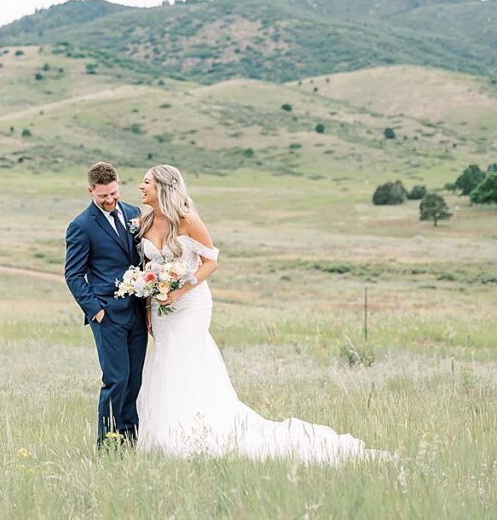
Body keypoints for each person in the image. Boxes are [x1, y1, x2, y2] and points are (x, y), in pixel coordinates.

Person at [135, 164, 381, 462]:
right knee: (164, 361)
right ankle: (162, 433)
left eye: (146, 182)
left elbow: (211, 261)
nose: (141, 186)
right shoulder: (145, 222)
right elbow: (147, 271)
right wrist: (150, 307)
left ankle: (189, 432)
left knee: (183, 359)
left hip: (190, 304)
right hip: (162, 312)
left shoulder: (187, 219)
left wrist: (181, 290)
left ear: (163, 187)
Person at [64, 161, 147, 448]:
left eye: (114, 193)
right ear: (90, 192)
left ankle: (131, 443)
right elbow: (73, 275)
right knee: (116, 380)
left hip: (138, 310)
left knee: (134, 380)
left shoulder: (135, 213)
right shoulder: (81, 226)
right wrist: (96, 311)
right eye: (103, 196)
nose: (110, 200)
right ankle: (109, 446)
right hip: (108, 316)